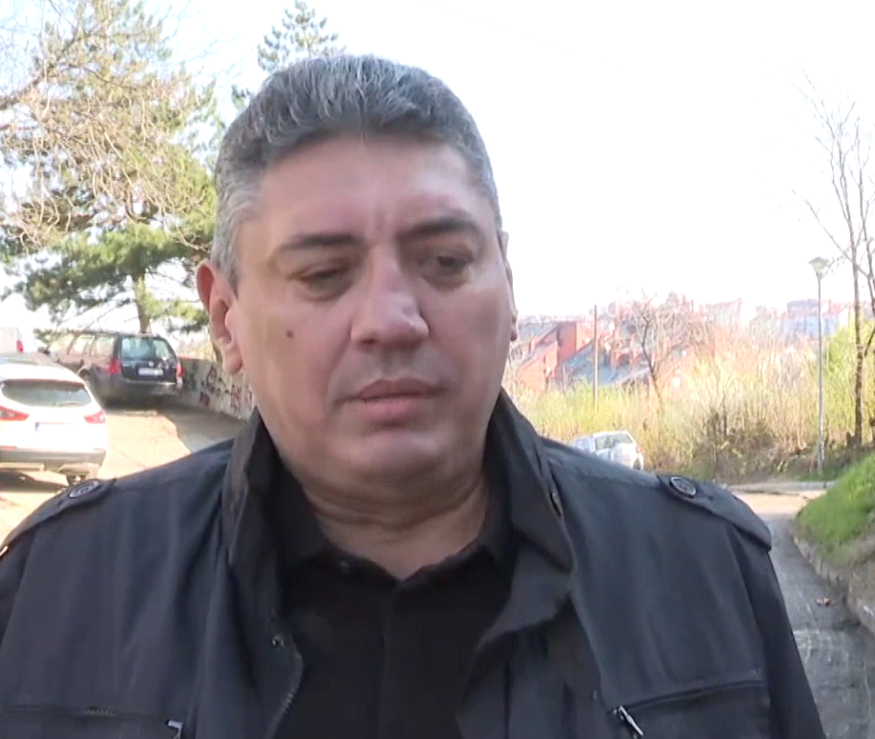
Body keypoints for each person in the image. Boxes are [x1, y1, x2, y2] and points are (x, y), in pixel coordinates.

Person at [0, 54, 827, 738]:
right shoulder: (62, 591)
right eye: (325, 274)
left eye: (445, 262)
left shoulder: (701, 572)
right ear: (226, 317)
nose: (392, 320)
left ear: (509, 287)